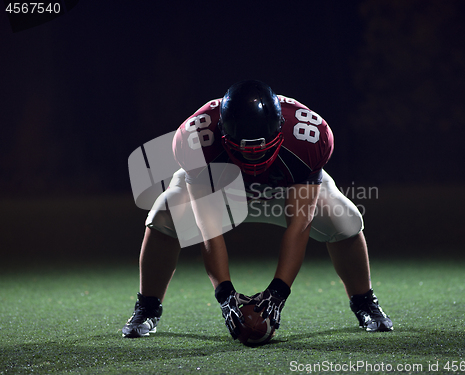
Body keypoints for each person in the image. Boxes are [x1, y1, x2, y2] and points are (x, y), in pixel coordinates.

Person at [122, 80, 393, 339]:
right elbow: (208, 227)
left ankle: (364, 302)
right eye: (244, 148)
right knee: (164, 215)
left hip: (284, 188)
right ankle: (147, 308)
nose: (253, 156)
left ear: (280, 128)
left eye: (260, 148)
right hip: (222, 193)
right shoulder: (196, 138)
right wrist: (225, 294)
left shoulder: (307, 137)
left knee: (344, 220)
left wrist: (278, 292)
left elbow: (299, 224)